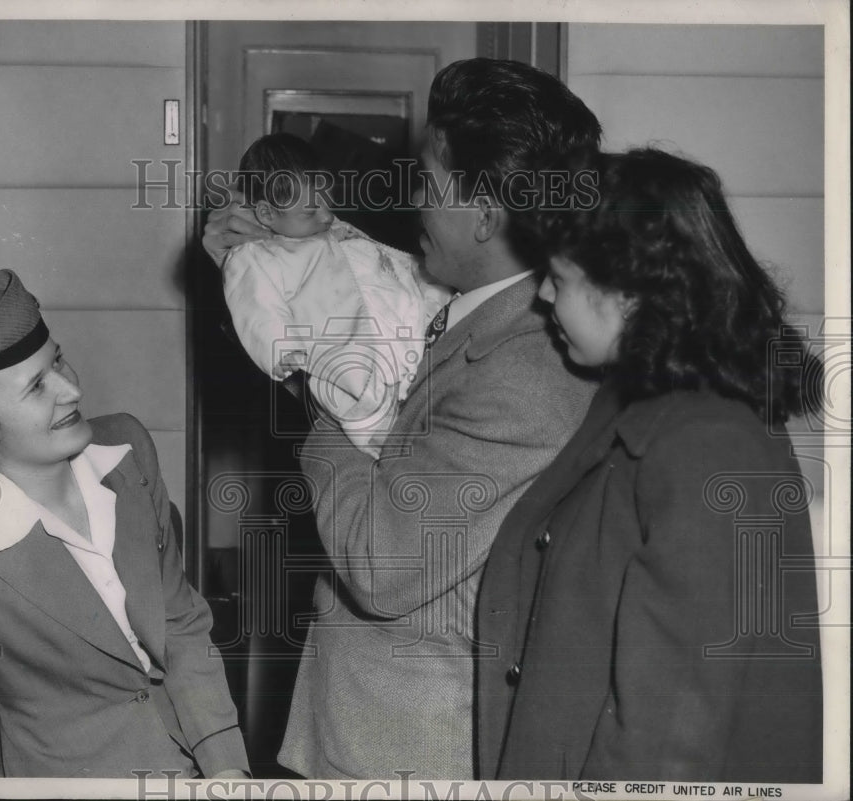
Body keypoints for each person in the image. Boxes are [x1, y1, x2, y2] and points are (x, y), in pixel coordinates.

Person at [203, 58, 602, 779]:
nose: (410, 197)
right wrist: (263, 269)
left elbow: (382, 564)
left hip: (408, 748)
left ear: (484, 213)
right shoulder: (454, 296)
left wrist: (321, 388)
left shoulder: (527, 373)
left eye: (426, 180)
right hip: (360, 722)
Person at [476, 148, 823, 782]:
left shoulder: (707, 445)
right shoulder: (646, 409)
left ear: (631, 290)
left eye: (558, 276)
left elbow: (672, 737)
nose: (544, 297)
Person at [0, 269, 250, 779]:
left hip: (188, 759)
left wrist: (227, 768)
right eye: (36, 386)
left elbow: (180, 624)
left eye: (59, 360)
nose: (71, 389)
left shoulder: (128, 451)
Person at [223, 132, 451, 456]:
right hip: (339, 342)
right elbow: (255, 306)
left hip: (377, 316)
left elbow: (380, 256)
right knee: (359, 394)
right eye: (311, 212)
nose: (327, 216)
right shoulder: (255, 256)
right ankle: (383, 444)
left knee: (412, 344)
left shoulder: (328, 229)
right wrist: (280, 347)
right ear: (267, 214)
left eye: (327, 204)